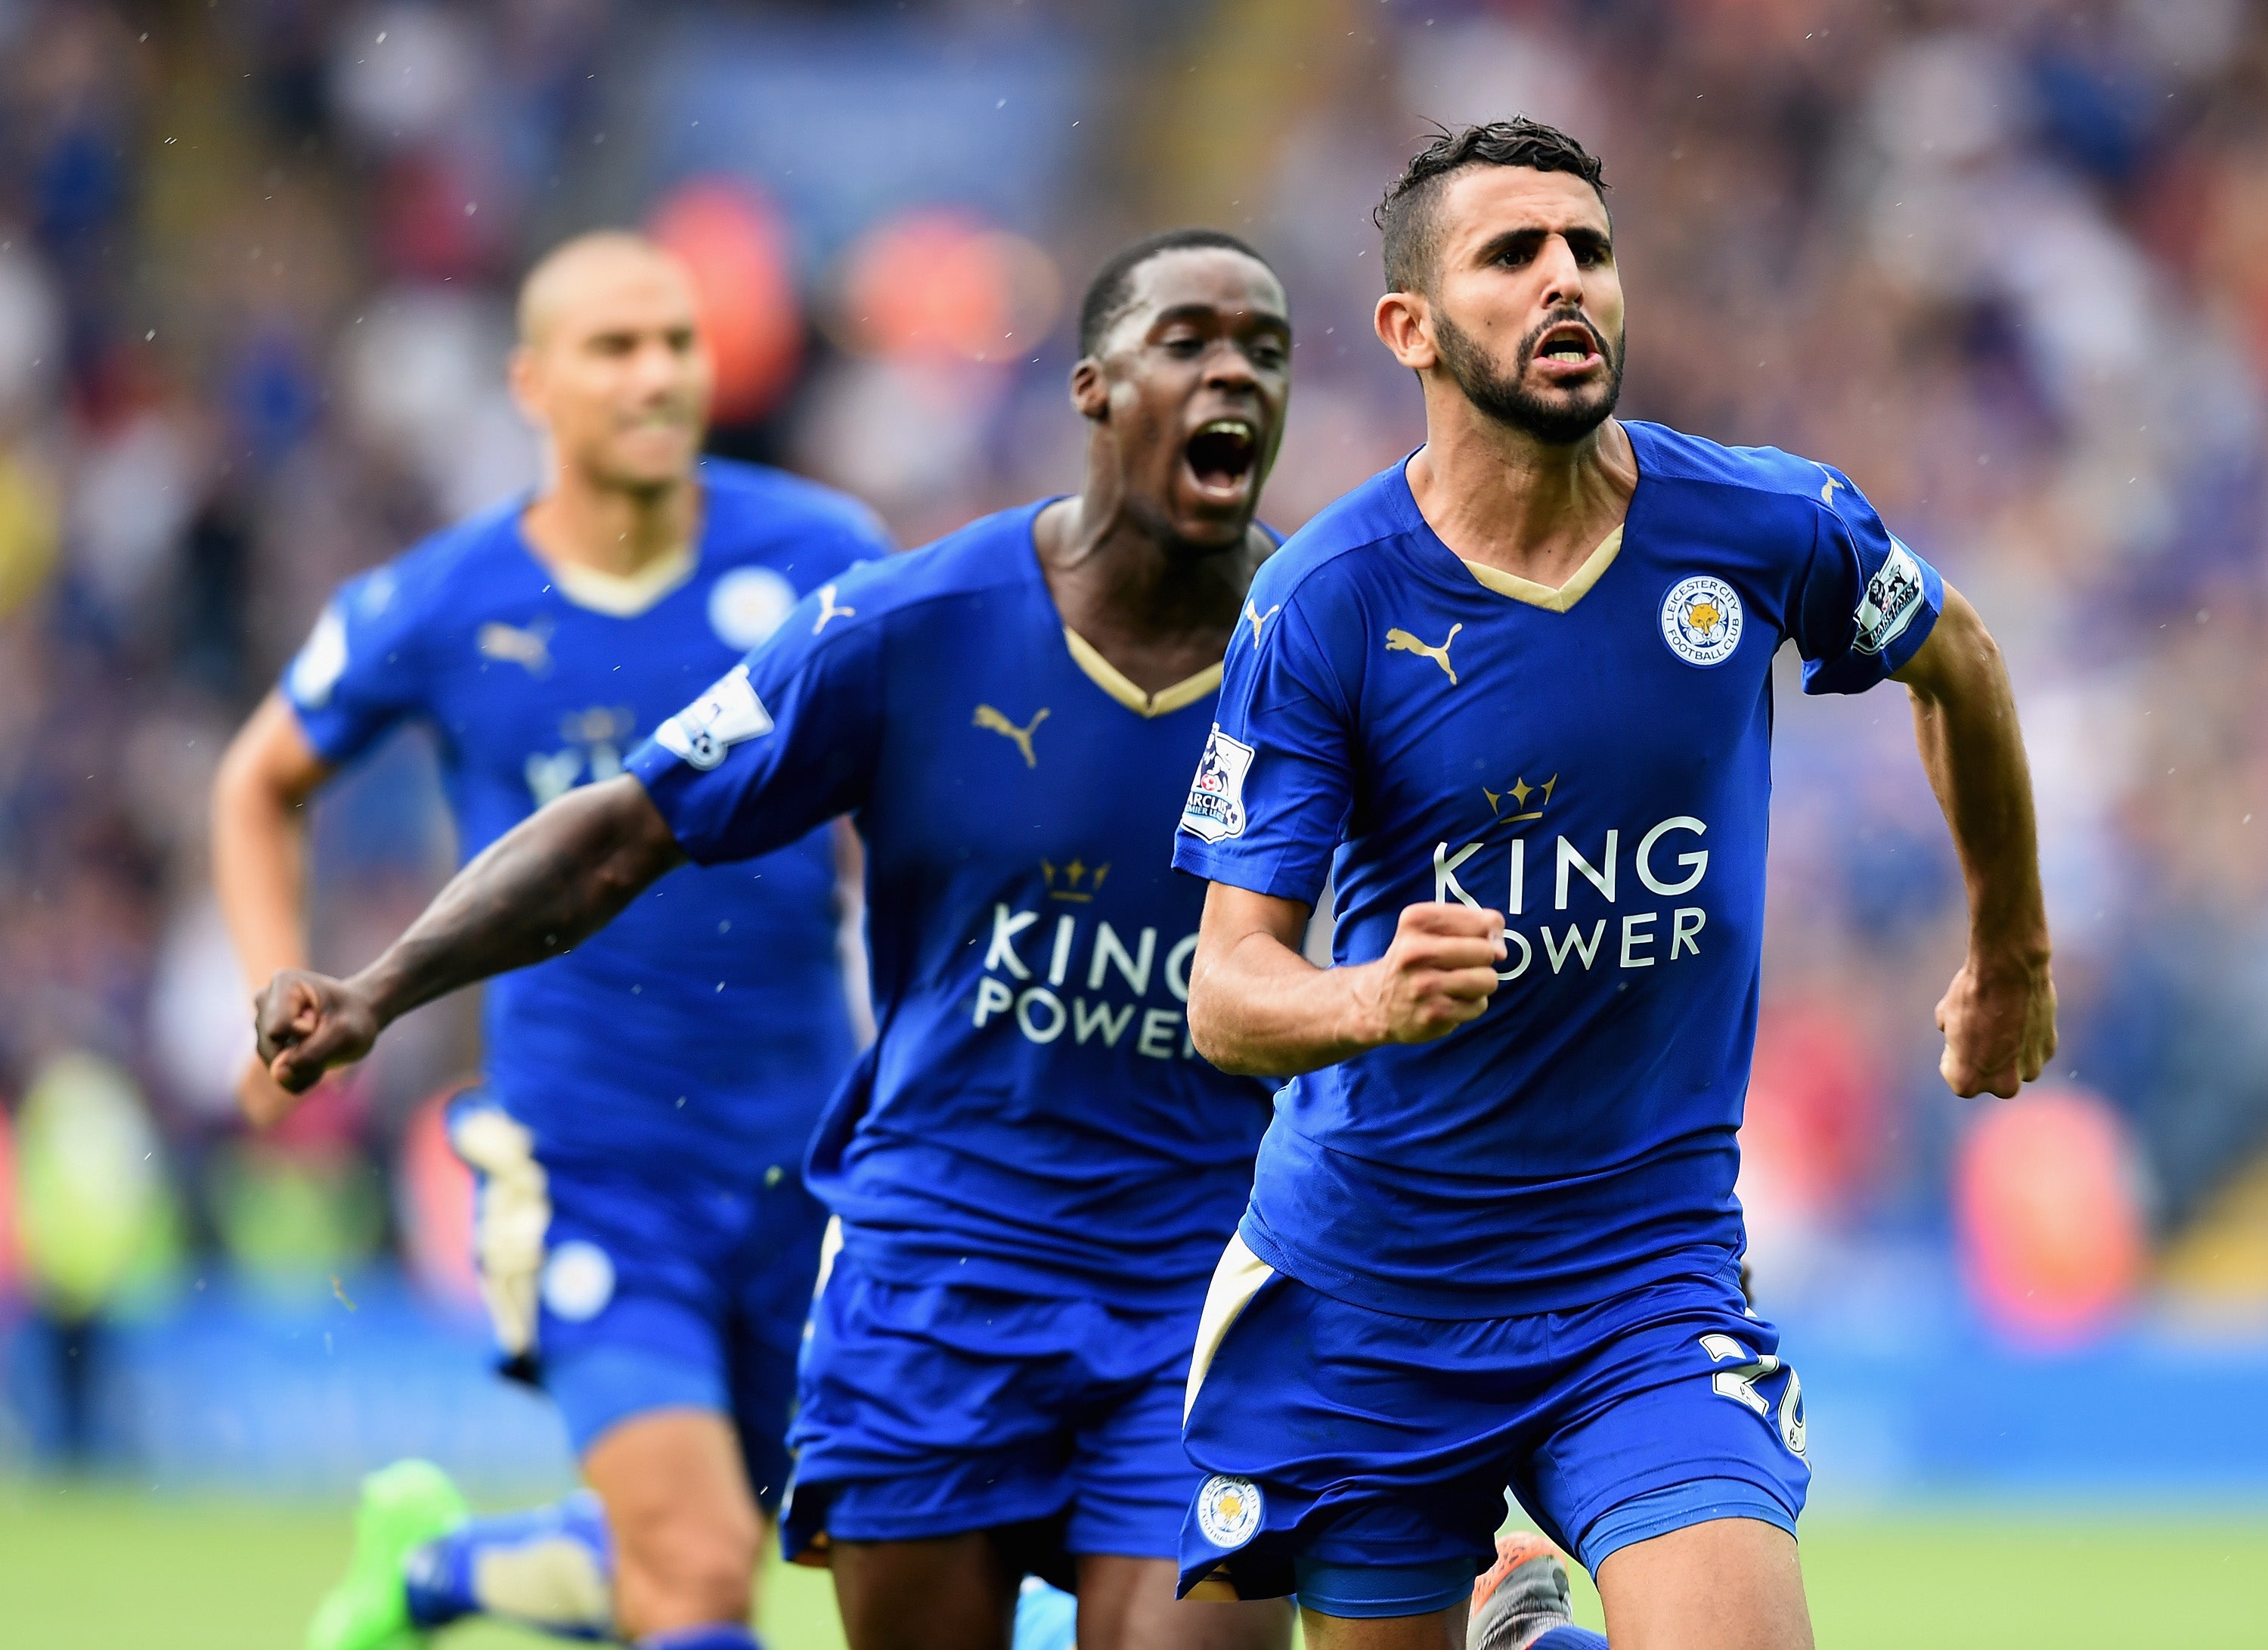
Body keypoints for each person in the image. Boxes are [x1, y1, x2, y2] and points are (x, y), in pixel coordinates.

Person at [249, 228, 1303, 1650]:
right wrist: (370, 989)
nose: (1233, 370)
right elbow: (619, 826)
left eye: (1265, 348)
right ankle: (463, 1570)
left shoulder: (1322, 640)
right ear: (1095, 387)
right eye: (1188, 341)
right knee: (690, 1572)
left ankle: (465, 1571)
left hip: (1160, 1259)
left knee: (721, 1553)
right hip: (861, 1242)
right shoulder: (903, 618)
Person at [1168, 120, 2058, 1650]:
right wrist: (1365, 993)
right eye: (1510, 255)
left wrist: (2014, 953)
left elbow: (1958, 660)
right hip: (1377, 1281)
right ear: (1412, 330)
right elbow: (1225, 991)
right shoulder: (1325, 601)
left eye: (1587, 246)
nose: (1564, 277)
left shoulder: (1764, 523)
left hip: (1644, 1269)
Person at [211, 232, 894, 1650]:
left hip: (804, 1152)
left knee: (745, 1537)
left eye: (678, 342)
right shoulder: (441, 600)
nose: (657, 374)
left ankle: (435, 1576)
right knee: (701, 1569)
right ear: (531, 382)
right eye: (614, 346)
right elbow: (257, 780)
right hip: (585, 1160)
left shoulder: (826, 558)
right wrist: (268, 982)